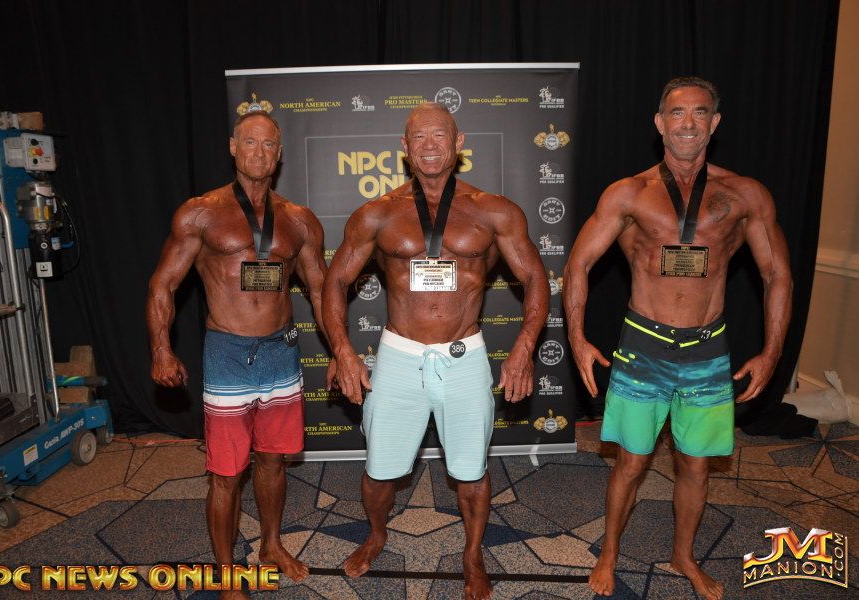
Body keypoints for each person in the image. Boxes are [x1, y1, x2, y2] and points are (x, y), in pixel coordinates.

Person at [563, 77, 792, 600]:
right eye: (677, 112)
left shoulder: (745, 195)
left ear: (715, 122)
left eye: (700, 112)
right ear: (659, 123)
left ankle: (683, 555)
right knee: (632, 460)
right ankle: (609, 552)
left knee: (696, 463)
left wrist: (772, 351)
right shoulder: (628, 193)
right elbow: (578, 265)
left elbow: (777, 274)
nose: (688, 123)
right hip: (643, 346)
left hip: (707, 351)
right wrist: (577, 338)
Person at [322, 102, 549, 600]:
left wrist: (525, 346)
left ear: (458, 142)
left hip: (464, 356)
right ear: (404, 148)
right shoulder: (378, 213)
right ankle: (376, 534)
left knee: (471, 471)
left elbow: (535, 276)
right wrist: (342, 350)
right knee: (380, 470)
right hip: (399, 356)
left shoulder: (494, 211)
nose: (429, 145)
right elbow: (335, 281)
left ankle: (473, 555)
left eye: (439, 135)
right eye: (418, 137)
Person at [147, 110, 329, 596]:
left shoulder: (299, 219)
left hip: (280, 352)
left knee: (273, 460)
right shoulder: (200, 213)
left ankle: (271, 545)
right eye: (250, 142)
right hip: (227, 353)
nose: (259, 153)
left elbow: (319, 290)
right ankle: (228, 571)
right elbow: (164, 284)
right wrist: (162, 349)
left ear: (280, 153)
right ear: (233, 147)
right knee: (226, 473)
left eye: (269, 145)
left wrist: (342, 352)